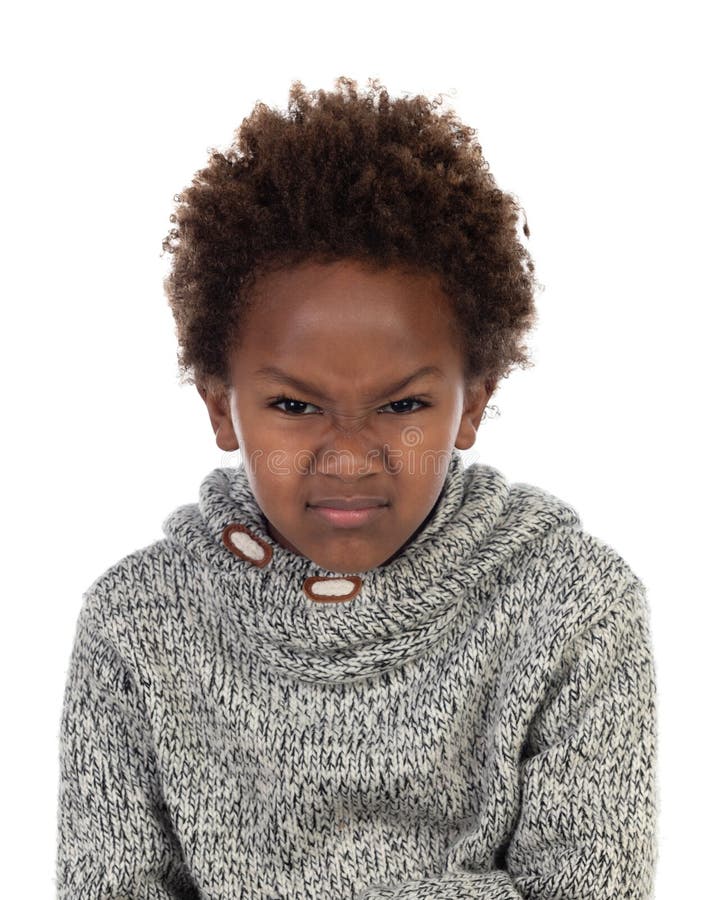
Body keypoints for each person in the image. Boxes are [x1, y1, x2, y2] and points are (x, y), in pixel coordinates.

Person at [55, 77, 659, 899]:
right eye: (294, 406)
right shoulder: (137, 622)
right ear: (219, 406)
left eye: (403, 405)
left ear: (471, 405)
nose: (347, 459)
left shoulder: (571, 604)